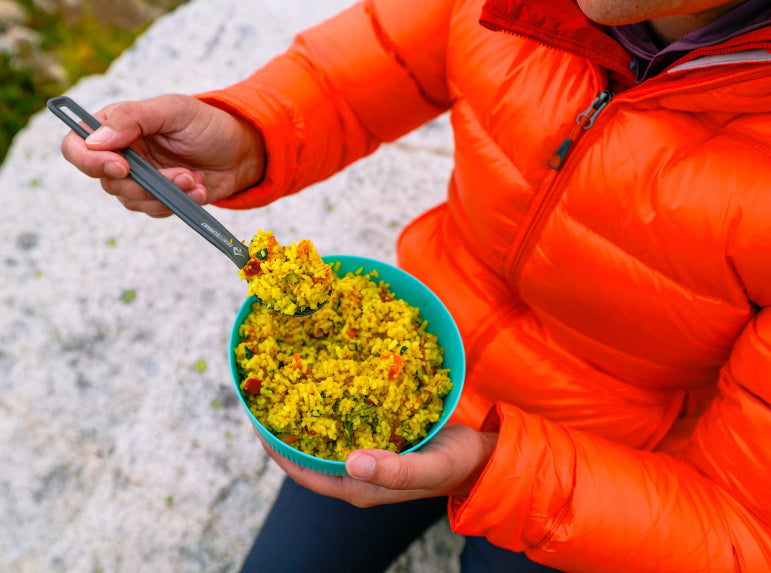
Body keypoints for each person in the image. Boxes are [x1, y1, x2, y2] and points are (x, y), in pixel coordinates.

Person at [60, 0, 771, 571]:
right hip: (410, 362)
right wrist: (250, 133)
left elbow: (740, 530)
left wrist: (496, 469)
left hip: (612, 468)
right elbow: (376, 63)